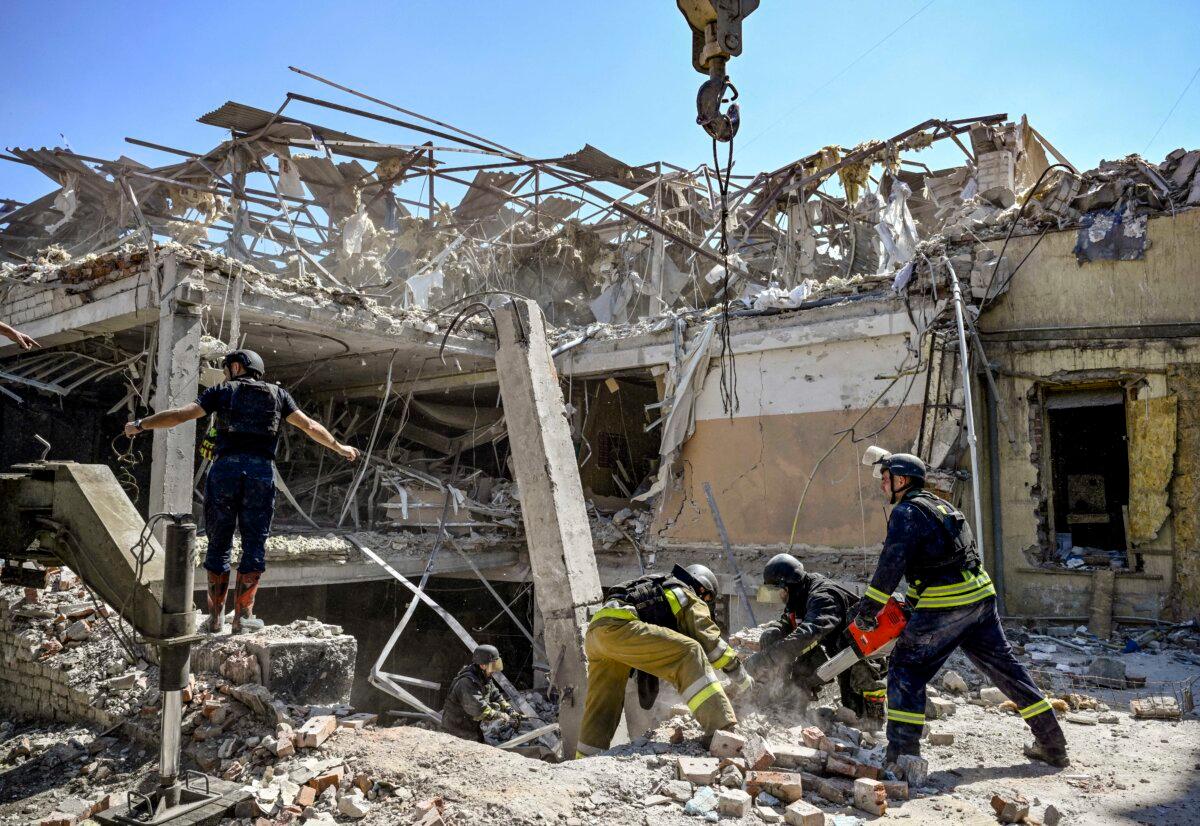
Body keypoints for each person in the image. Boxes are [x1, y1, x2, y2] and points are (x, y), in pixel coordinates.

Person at [853, 449, 1069, 768]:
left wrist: (869, 610)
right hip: (980, 597)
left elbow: (891, 565)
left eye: (885, 479)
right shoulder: (943, 505)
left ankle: (903, 754)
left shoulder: (906, 512)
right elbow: (944, 559)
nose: (883, 486)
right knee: (1007, 670)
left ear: (901, 480)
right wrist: (912, 603)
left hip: (948, 603)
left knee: (906, 667)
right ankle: (1053, 743)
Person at [124, 349, 359, 633]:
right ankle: (243, 618)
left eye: (226, 369)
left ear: (237, 367)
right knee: (254, 543)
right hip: (260, 475)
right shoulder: (278, 396)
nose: (225, 374)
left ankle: (215, 618)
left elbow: (180, 415)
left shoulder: (221, 391)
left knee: (219, 542)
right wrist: (339, 447)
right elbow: (309, 426)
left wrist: (140, 425)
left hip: (225, 472)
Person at [576, 563, 753, 758]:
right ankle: (722, 729)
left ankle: (583, 761)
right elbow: (710, 642)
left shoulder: (661, 586)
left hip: (596, 633)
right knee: (689, 652)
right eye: (707, 599)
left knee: (604, 704)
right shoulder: (688, 594)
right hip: (622, 626)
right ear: (703, 590)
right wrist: (742, 677)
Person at [745, 553, 886, 723]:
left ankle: (874, 726)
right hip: (836, 649)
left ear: (788, 585)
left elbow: (809, 633)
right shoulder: (798, 594)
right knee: (774, 638)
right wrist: (773, 633)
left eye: (779, 591)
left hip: (857, 653)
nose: (779, 597)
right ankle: (784, 702)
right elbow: (787, 621)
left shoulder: (823, 597)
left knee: (857, 714)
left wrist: (767, 658)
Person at [441, 645, 516, 742]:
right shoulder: (467, 682)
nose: (494, 669)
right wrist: (500, 715)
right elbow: (478, 709)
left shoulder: (484, 677)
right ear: (482, 665)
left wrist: (509, 709)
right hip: (456, 728)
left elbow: (495, 695)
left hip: (470, 724)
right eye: (492, 666)